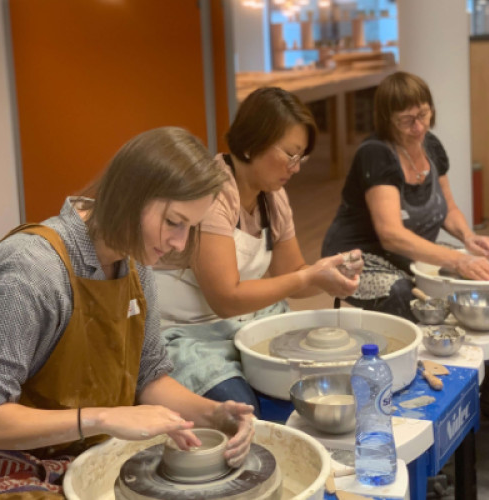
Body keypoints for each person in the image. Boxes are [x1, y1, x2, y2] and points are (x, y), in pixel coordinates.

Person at [0, 127, 255, 497]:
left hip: (90, 451)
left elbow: (150, 379)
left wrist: (215, 415)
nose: (179, 243)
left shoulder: (134, 263)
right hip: (15, 467)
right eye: (173, 222)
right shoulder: (31, 269)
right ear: (131, 197)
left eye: (190, 228)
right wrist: (103, 417)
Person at [151, 87, 362, 416]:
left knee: (316, 368)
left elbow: (292, 274)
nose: (296, 167)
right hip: (183, 331)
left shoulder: (272, 197)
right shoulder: (213, 191)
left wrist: (326, 275)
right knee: (240, 407)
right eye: (290, 155)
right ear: (252, 142)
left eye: (301, 157)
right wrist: (308, 275)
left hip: (235, 320)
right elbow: (226, 298)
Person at [321, 71, 489, 320]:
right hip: (360, 257)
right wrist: (457, 260)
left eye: (423, 115)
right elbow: (391, 236)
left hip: (403, 254)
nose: (418, 127)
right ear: (387, 120)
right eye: (406, 120)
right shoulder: (376, 154)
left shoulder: (431, 146)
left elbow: (448, 208)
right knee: (407, 293)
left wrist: (468, 237)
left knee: (475, 272)